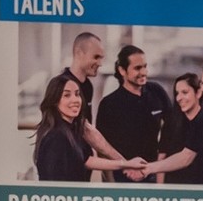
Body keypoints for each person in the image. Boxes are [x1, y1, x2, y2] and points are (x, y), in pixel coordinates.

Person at [33, 75, 146, 181]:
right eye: (67, 95)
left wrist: (127, 164)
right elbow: (52, 183)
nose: (75, 100)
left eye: (77, 94)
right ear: (54, 101)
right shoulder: (56, 136)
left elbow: (87, 160)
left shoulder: (72, 130)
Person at [95, 46, 172, 182]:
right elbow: (102, 150)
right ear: (122, 70)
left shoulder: (157, 92)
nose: (143, 72)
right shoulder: (109, 104)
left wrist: (160, 166)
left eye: (145, 66)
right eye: (137, 68)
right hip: (122, 177)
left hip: (153, 173)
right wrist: (111, 184)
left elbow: (172, 127)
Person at [63, 32, 129, 165]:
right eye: (96, 57)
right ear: (79, 53)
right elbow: (87, 130)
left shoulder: (87, 86)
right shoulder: (61, 85)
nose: (100, 63)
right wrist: (125, 163)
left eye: (101, 58)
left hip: (83, 164)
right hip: (66, 165)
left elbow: (89, 132)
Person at [161, 73, 202, 186]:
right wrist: (160, 190)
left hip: (200, 189)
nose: (179, 98)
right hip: (173, 187)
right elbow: (161, 158)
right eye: (177, 93)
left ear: (198, 93)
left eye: (185, 92)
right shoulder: (171, 122)